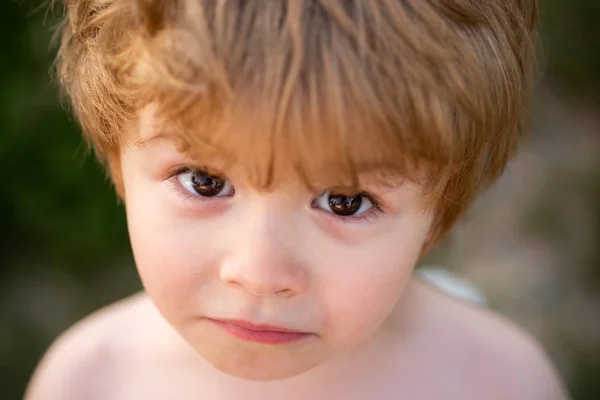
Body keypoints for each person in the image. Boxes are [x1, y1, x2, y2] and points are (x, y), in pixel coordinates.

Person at [26, 1, 568, 399]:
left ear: (438, 214)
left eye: (345, 201)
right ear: (121, 167)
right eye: (204, 181)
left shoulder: (501, 383)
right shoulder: (88, 382)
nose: (259, 272)